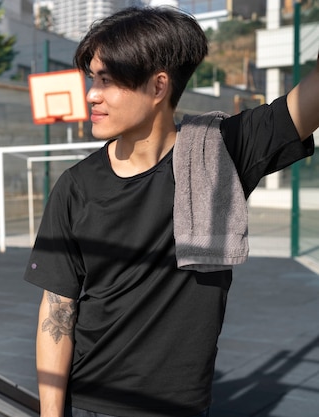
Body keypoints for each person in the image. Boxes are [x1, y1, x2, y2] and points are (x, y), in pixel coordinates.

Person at [24, 6, 319, 417]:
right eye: (92, 78)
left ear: (158, 86)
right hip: (94, 403)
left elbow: (309, 102)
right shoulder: (75, 186)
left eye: (107, 80)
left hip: (183, 406)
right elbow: (57, 308)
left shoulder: (219, 154)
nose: (91, 93)